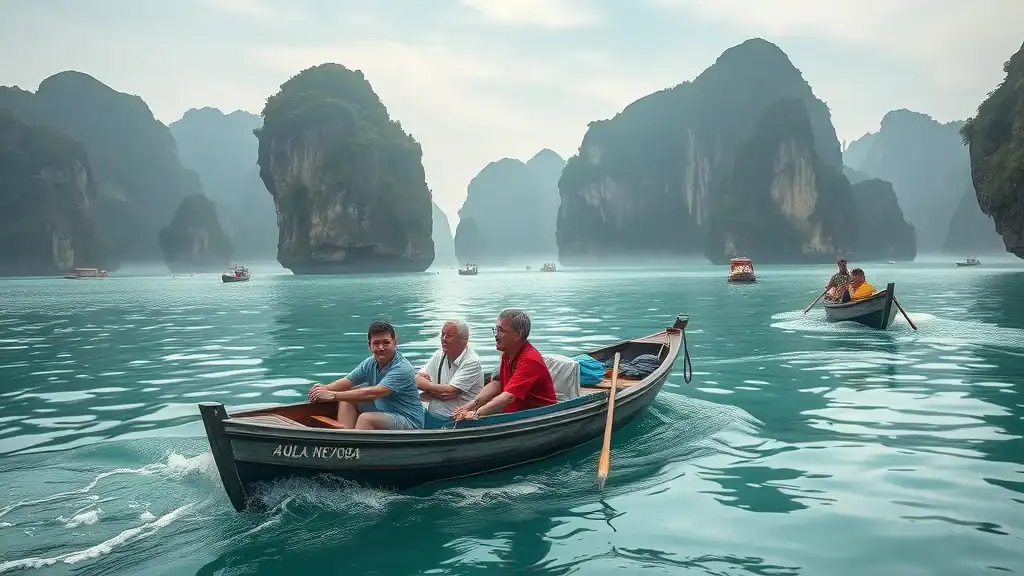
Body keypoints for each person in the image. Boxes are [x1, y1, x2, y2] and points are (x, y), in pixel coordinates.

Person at [307, 321, 423, 430]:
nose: (381, 348)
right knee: (347, 398)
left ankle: (354, 446)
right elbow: (347, 381)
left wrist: (333, 395)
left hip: (409, 421)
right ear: (369, 345)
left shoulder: (402, 368)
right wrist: (323, 388)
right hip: (383, 411)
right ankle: (345, 438)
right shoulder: (370, 363)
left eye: (386, 342)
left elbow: (374, 393)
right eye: (376, 343)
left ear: (395, 343)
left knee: (365, 419)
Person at [452, 308, 556, 421]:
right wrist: (469, 406)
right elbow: (497, 385)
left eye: (501, 331)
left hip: (537, 416)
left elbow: (508, 396)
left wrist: (476, 414)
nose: (496, 335)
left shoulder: (530, 360)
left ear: (518, 335)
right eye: (496, 330)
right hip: (514, 412)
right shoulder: (508, 354)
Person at [416, 320, 485, 418]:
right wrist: (436, 389)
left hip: (455, 420)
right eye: (442, 334)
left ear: (464, 339)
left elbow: (446, 392)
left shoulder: (472, 361)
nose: (444, 339)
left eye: (449, 336)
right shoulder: (439, 354)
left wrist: (428, 388)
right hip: (431, 414)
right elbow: (417, 379)